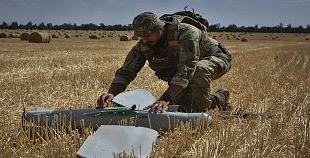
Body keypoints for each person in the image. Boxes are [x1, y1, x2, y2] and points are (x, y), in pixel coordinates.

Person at [97, 12, 231, 113]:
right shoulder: (144, 44)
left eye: (148, 35)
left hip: (216, 58)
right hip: (186, 69)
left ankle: (201, 114)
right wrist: (112, 93)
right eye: (141, 36)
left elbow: (187, 68)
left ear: (160, 29)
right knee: (183, 108)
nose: (144, 40)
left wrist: (165, 98)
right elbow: (126, 71)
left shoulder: (186, 33)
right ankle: (219, 98)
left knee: (198, 72)